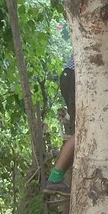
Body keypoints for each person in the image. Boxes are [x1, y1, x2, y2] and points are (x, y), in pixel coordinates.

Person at [44, 55, 75, 193]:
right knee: (84, 130)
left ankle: (56, 177)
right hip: (75, 76)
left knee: (83, 129)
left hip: (73, 76)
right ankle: (55, 178)